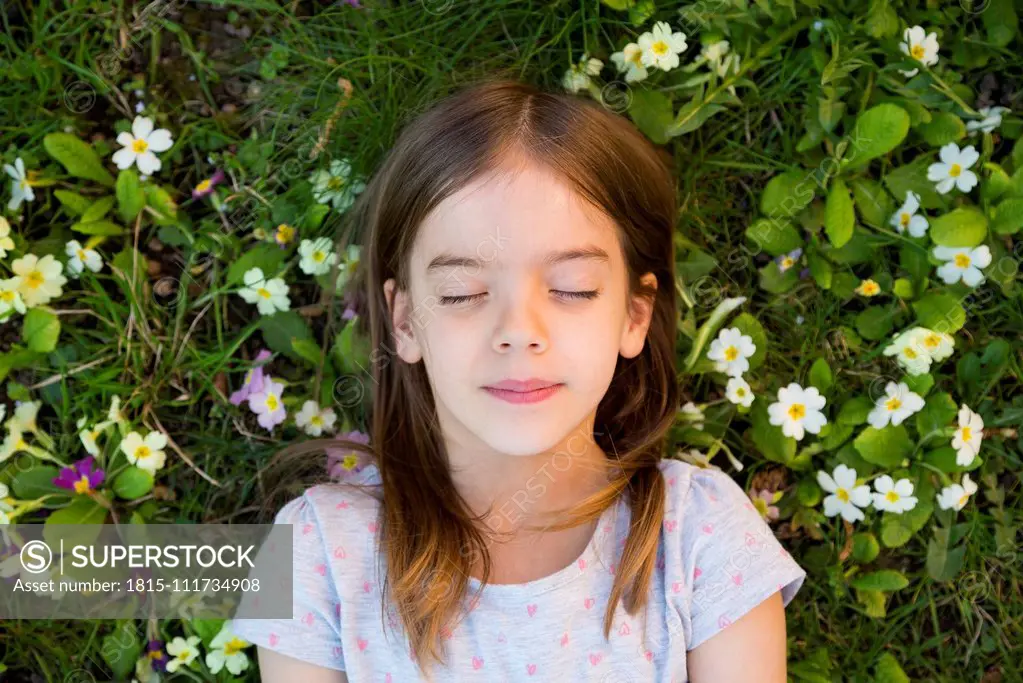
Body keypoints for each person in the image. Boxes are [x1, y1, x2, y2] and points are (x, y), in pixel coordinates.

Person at [229, 77, 806, 682]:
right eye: (463, 293)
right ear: (405, 321)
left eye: (571, 289)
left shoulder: (699, 536)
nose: (519, 331)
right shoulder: (314, 548)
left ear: (634, 315)